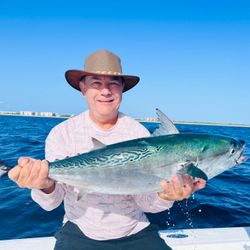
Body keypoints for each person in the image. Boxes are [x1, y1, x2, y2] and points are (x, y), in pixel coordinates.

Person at [8, 49, 206, 250]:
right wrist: (43, 184)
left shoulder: (137, 133)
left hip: (135, 230)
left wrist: (166, 197)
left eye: (113, 83)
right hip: (79, 229)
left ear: (122, 90)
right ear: (83, 89)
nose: (105, 91)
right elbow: (50, 204)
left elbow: (146, 203)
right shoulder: (62, 133)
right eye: (96, 83)